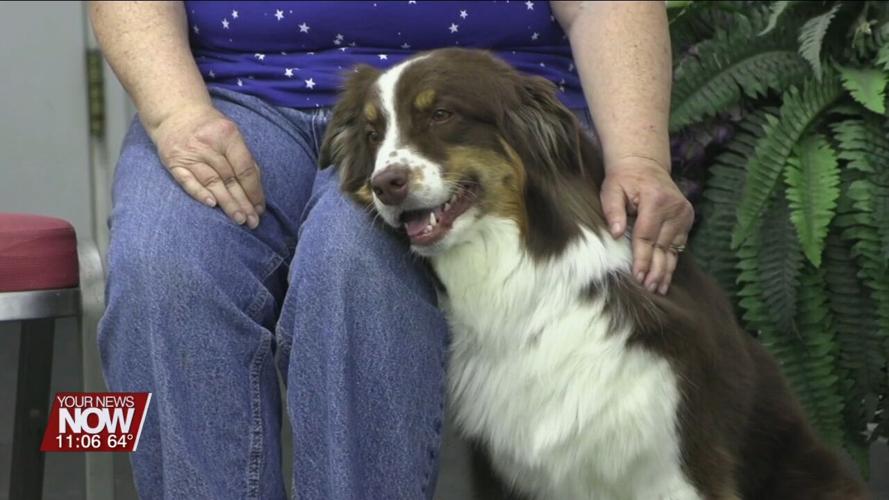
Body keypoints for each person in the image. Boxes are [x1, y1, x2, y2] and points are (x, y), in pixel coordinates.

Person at [88, 1, 693, 499]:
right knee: (161, 261)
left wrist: (639, 158)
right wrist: (176, 114)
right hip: (227, 92)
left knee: (356, 264)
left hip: (467, 107)